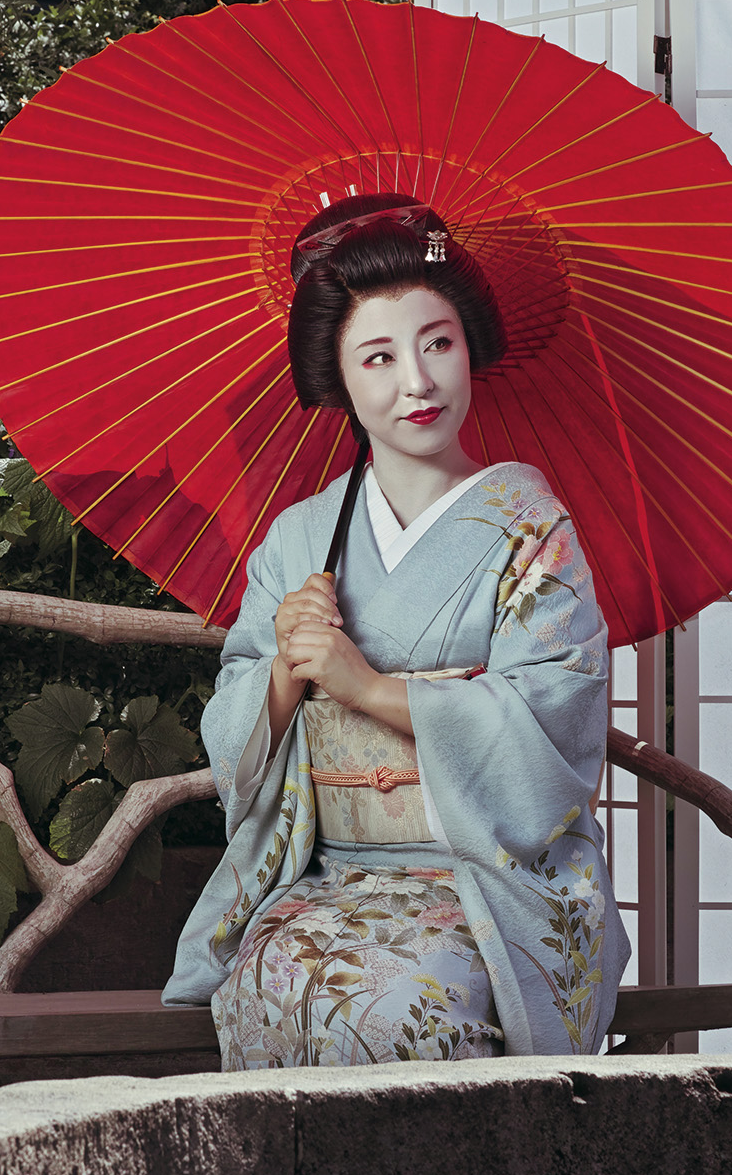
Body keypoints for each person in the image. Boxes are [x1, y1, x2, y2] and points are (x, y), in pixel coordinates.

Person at [162, 192, 628, 1069]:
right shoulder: (302, 538)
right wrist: (283, 677)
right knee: (267, 983)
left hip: (487, 881)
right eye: (378, 357)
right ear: (338, 378)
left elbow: (557, 714)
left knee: (389, 1007)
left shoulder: (531, 527)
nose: (417, 382)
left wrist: (367, 687)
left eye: (437, 343)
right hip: (329, 875)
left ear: (468, 349)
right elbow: (232, 725)